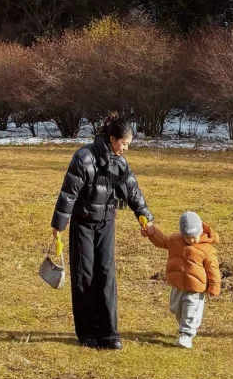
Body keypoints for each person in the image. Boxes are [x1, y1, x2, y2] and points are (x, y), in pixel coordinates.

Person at [49, 116, 153, 350]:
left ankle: (109, 333)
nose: (125, 148)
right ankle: (87, 332)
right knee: (84, 275)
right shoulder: (83, 158)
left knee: (106, 274)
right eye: (123, 143)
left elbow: (133, 191)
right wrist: (58, 225)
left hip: (106, 223)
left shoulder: (120, 163)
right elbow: (68, 193)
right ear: (112, 138)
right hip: (83, 224)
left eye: (127, 145)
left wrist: (145, 217)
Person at [141, 211, 221, 348]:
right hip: (177, 285)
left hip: (195, 288)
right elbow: (162, 241)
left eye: (194, 237)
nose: (191, 240)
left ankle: (187, 335)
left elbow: (213, 269)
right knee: (176, 309)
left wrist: (214, 286)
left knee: (191, 309)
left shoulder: (207, 249)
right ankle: (185, 328)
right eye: (187, 237)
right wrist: (151, 233)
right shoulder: (175, 240)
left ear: (200, 232)